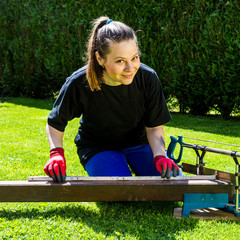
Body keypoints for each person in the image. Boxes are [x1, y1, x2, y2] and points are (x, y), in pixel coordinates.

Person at [44, 16, 181, 182]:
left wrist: (160, 156)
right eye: (120, 61)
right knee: (120, 192)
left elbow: (153, 127)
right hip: (98, 148)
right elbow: (55, 122)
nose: (130, 68)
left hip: (139, 144)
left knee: (173, 183)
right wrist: (56, 154)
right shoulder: (79, 82)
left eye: (134, 58)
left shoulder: (148, 78)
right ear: (100, 59)